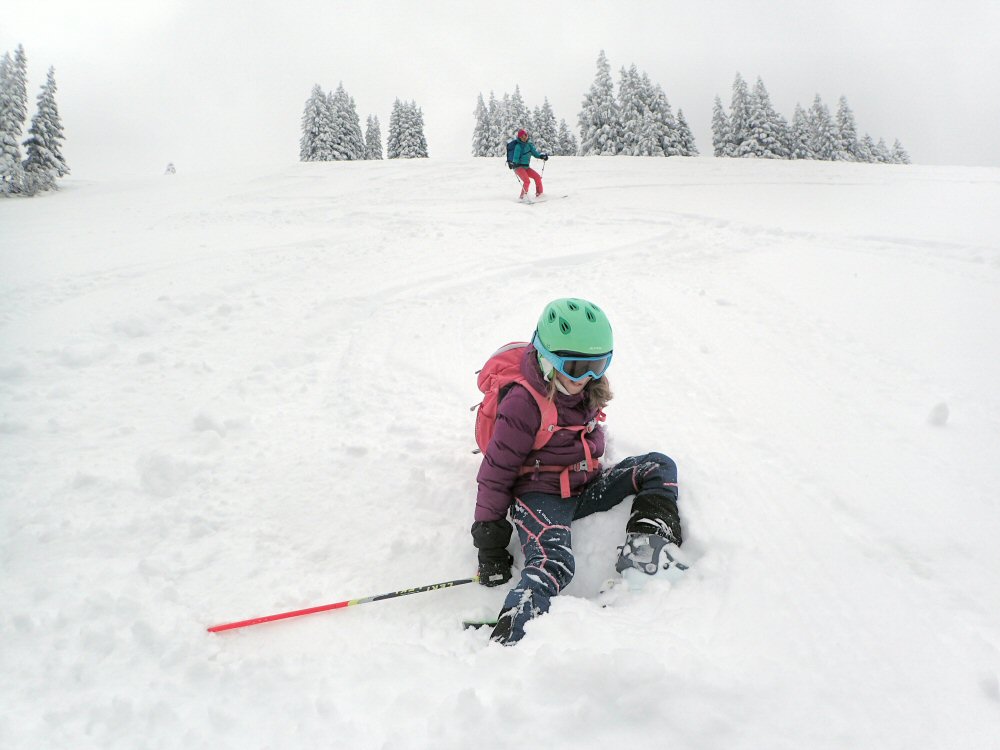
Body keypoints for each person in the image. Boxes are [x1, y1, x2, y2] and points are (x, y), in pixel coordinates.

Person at [471, 298, 685, 645]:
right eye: (574, 367)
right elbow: (496, 471)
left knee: (658, 467)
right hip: (539, 493)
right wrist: (490, 545)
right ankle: (514, 631)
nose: (586, 378)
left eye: (598, 365)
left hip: (583, 481)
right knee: (554, 561)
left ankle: (646, 559)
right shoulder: (522, 404)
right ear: (547, 357)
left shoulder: (583, 387)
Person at [507, 128, 548, 200]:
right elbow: (516, 157)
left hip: (526, 167)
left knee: (537, 177)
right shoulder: (518, 146)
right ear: (519, 137)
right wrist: (513, 163)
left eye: (525, 135)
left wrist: (542, 156)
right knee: (527, 181)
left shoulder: (529, 145)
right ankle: (522, 197)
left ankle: (540, 195)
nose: (524, 138)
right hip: (518, 167)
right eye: (522, 137)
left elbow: (536, 154)